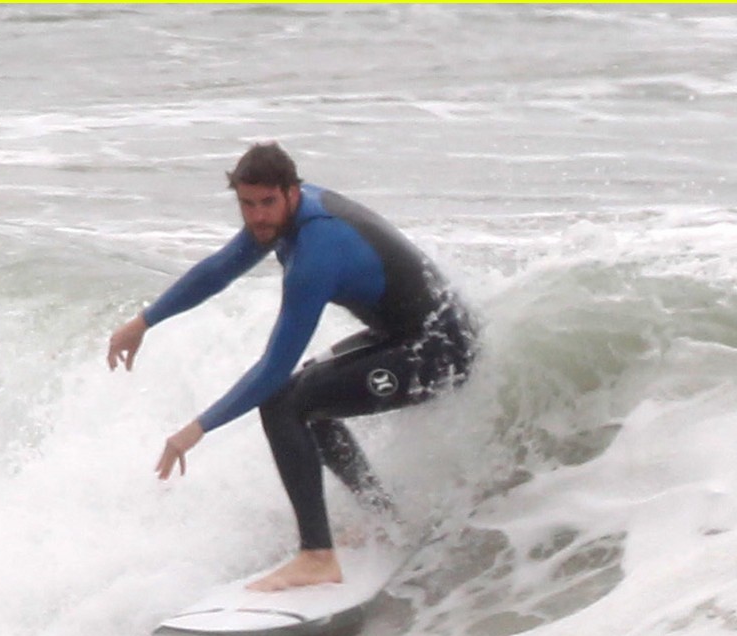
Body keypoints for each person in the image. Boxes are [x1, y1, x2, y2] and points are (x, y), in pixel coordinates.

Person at [108, 142, 476, 591]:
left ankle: (317, 556)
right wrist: (144, 321)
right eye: (247, 204)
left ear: (292, 192)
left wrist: (197, 429)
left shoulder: (318, 249)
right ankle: (385, 519)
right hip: (408, 336)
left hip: (441, 351)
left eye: (267, 203)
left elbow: (273, 370)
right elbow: (219, 269)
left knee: (284, 402)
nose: (258, 216)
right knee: (307, 396)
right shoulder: (284, 219)